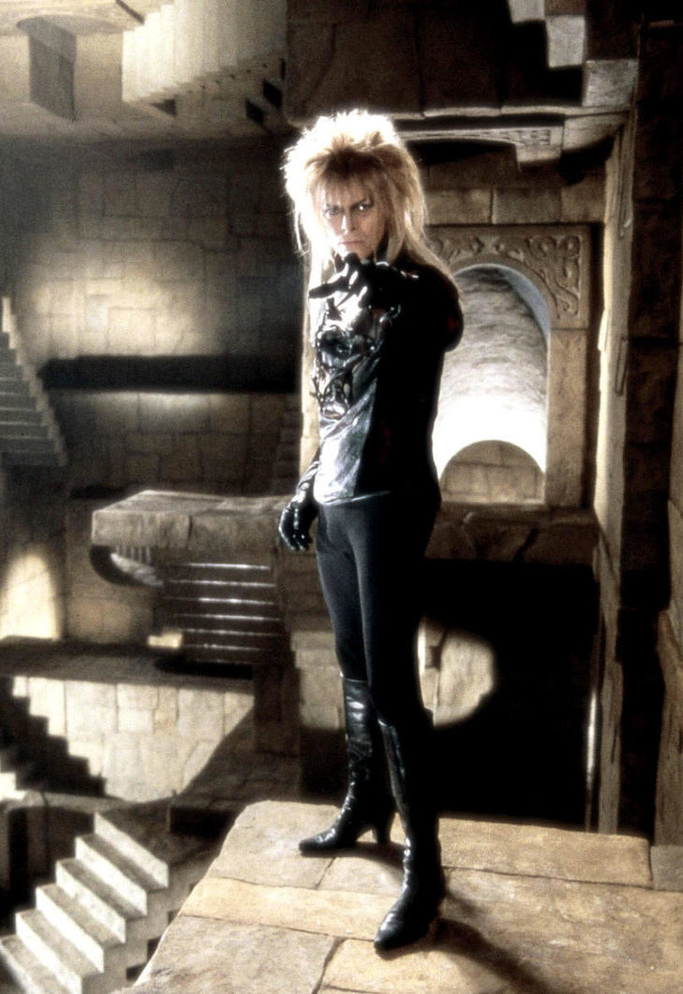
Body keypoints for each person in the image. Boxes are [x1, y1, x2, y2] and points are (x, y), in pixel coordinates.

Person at [277, 110, 462, 951]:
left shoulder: (422, 289)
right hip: (339, 501)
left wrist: (398, 295)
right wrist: (307, 487)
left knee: (392, 686)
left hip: (391, 500)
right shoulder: (332, 287)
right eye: (333, 210)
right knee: (353, 668)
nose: (347, 225)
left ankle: (426, 869)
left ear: (392, 202)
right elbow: (336, 409)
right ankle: (364, 802)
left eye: (361, 208)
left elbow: (444, 325)